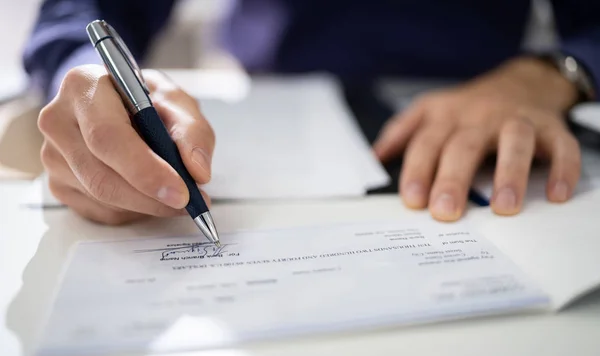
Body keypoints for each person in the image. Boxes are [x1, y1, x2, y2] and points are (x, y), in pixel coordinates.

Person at [23, 0, 599, 225]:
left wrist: (559, 71)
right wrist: (83, 75)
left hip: (485, 108)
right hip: (272, 106)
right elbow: (85, 9)